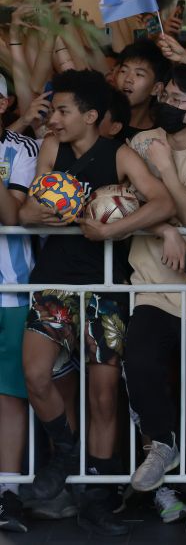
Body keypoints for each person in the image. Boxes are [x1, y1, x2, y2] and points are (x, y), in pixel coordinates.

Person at [19, 69, 175, 536]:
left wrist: (110, 230)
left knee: (104, 396)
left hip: (105, 287)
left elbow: (162, 203)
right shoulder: (52, 148)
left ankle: (98, 496)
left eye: (63, 111)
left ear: (90, 116)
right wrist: (37, 214)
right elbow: (27, 209)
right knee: (34, 374)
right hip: (53, 284)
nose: (54, 120)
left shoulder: (121, 154)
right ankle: (64, 452)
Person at [121, 64, 186, 534]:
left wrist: (164, 167)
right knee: (139, 359)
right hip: (151, 284)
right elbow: (129, 205)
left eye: (178, 99)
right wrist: (164, 226)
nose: (166, 102)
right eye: (165, 93)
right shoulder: (138, 142)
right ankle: (161, 444)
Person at [0, 90, 38, 535]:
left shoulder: (21, 148)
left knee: (9, 393)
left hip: (10, 288)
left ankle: (7, 491)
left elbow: (11, 213)